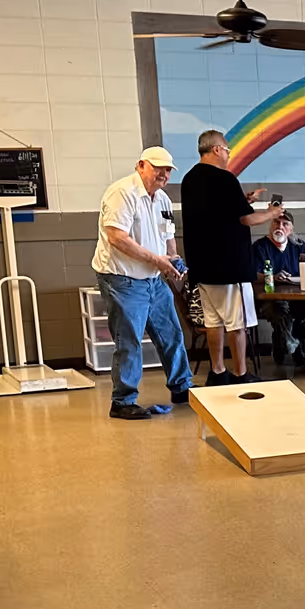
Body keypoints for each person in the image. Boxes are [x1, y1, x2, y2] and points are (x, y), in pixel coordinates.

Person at [92, 147, 193, 420]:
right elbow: (117, 237)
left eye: (168, 170)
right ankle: (122, 401)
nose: (164, 174)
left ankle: (183, 388)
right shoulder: (121, 193)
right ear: (141, 166)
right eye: (158, 167)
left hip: (153, 279)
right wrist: (158, 261)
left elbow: (168, 235)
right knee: (129, 340)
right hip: (122, 279)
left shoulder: (163, 200)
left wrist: (172, 259)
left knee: (171, 333)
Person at [180, 129, 265, 386]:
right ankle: (241, 374)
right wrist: (272, 212)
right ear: (217, 149)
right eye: (227, 150)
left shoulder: (189, 180)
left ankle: (217, 372)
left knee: (213, 322)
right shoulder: (225, 179)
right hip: (230, 267)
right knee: (237, 323)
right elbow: (245, 218)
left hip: (203, 267)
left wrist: (242, 199)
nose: (228, 155)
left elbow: (215, 211)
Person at [252, 207, 305, 366]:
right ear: (271, 225)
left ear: (291, 229)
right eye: (277, 222)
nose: (280, 227)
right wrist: (272, 277)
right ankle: (296, 350)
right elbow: (253, 274)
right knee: (281, 313)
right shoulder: (260, 246)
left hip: (297, 298)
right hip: (270, 299)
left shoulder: (298, 245)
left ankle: (285, 341)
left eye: (285, 224)